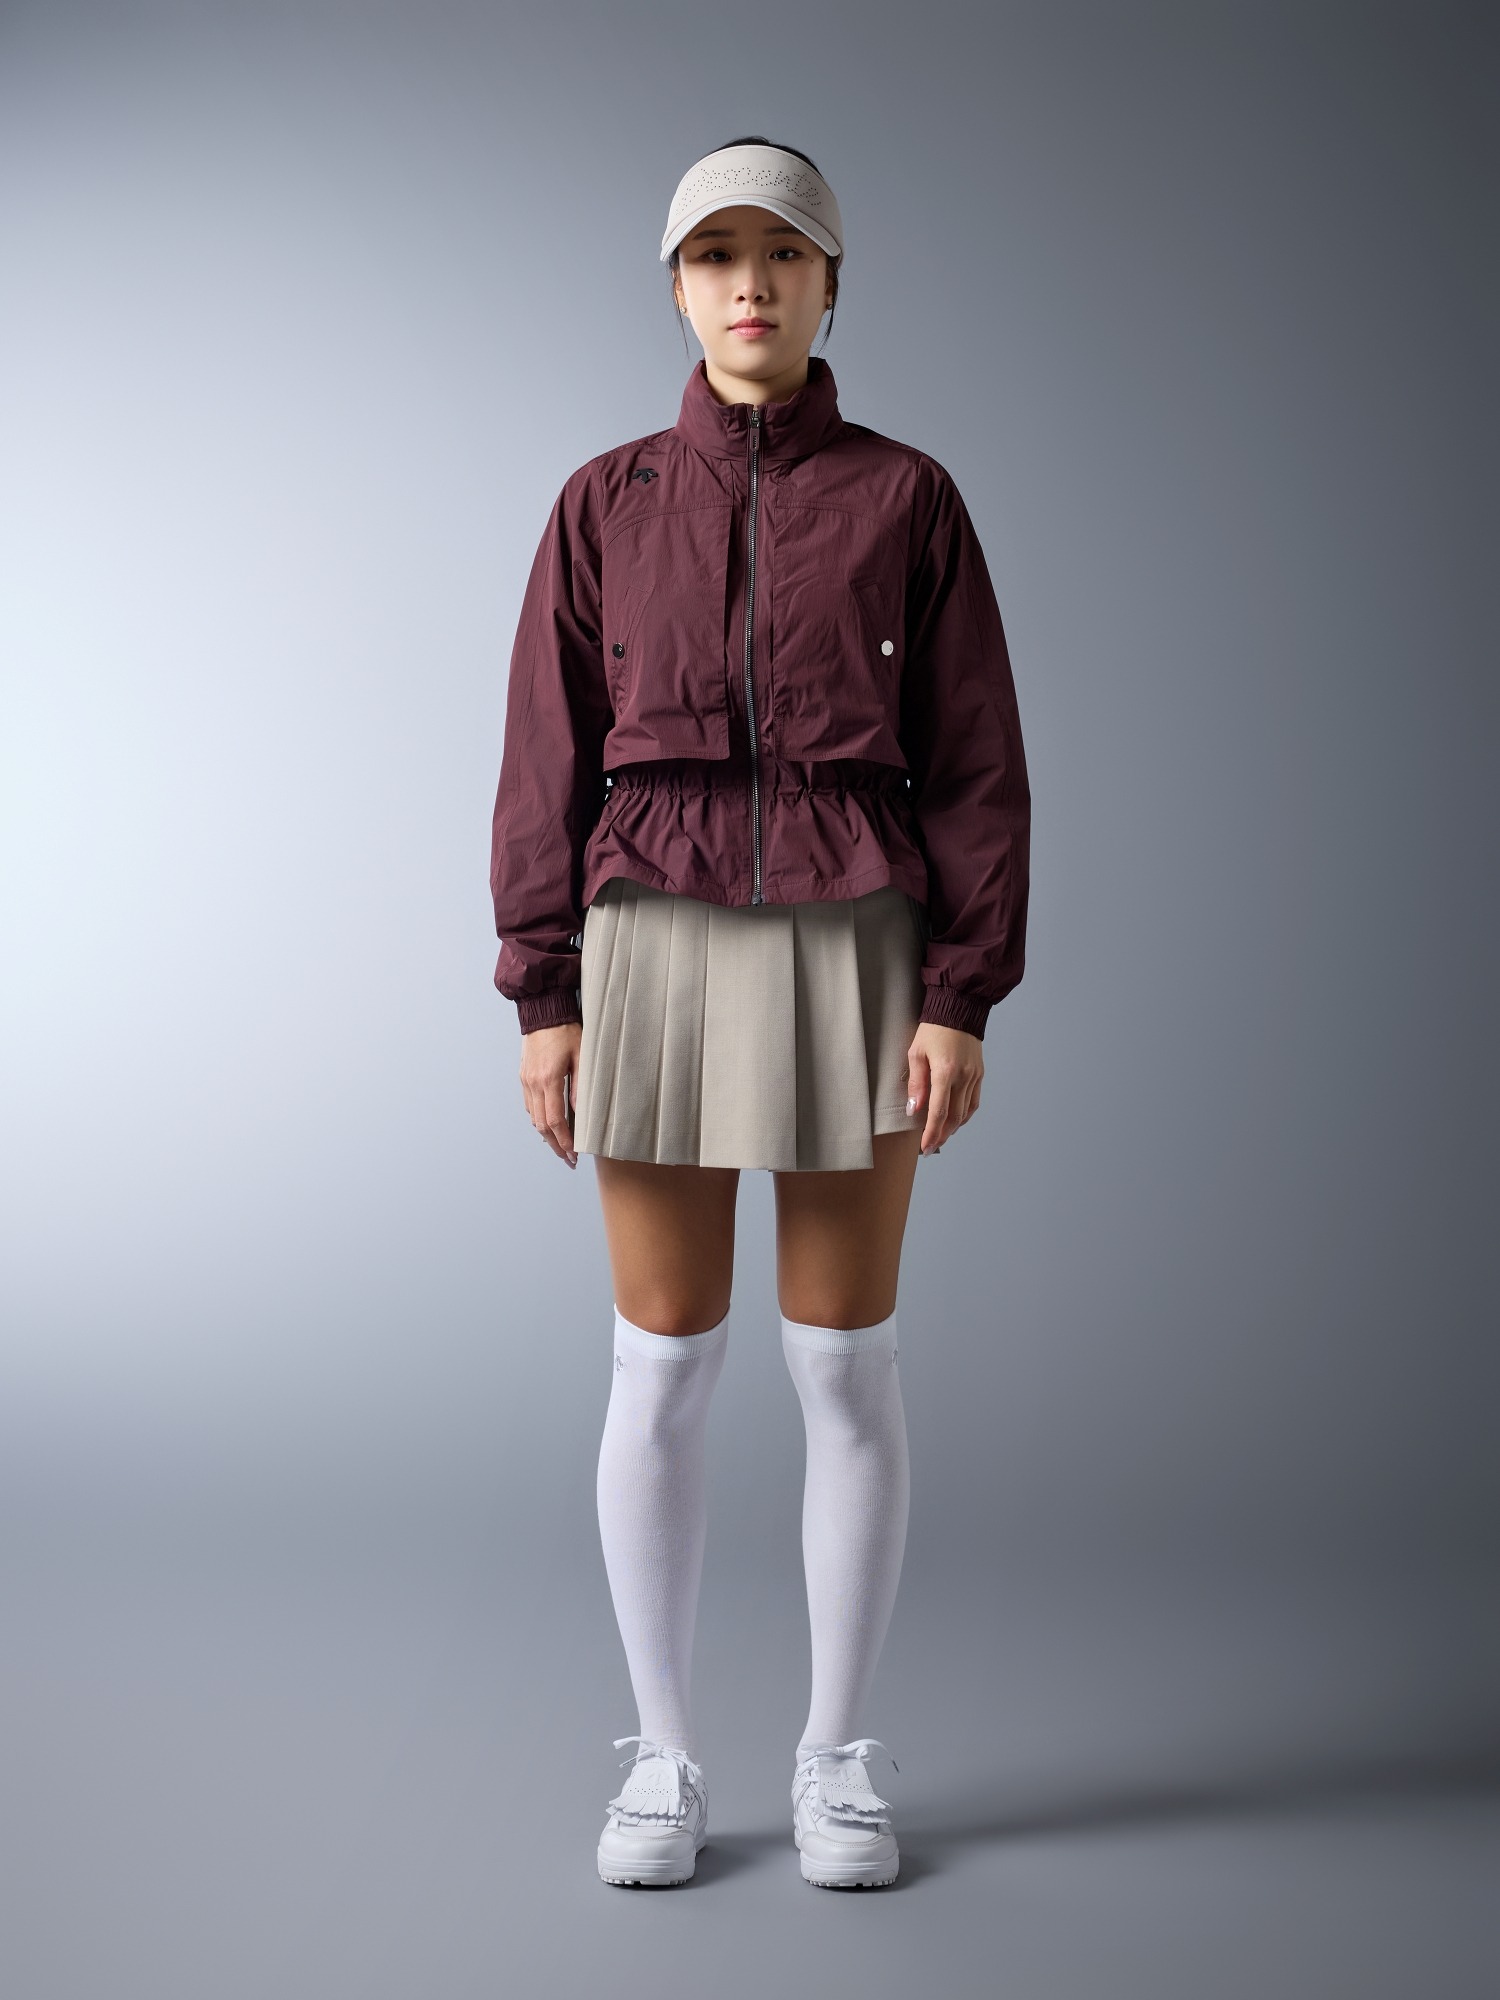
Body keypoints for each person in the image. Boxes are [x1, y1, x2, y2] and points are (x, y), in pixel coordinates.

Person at [489, 137, 1031, 1890]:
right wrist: (544, 991)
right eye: (715, 253)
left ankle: (834, 1759)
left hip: (856, 943)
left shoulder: (910, 500)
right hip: (650, 944)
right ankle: (662, 1756)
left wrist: (959, 991)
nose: (748, 282)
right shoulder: (604, 503)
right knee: (661, 1364)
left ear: (829, 283)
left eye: (782, 253)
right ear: (675, 285)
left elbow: (975, 760)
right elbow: (546, 762)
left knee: (843, 1363)